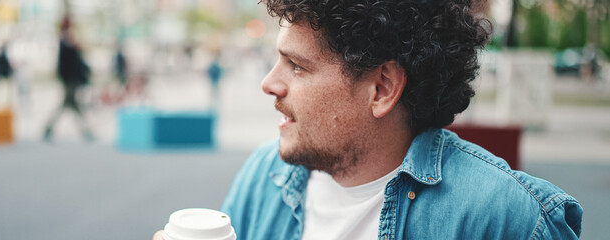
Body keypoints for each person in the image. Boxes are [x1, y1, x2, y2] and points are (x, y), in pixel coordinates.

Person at [154, 0, 583, 239]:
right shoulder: (263, 176)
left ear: (381, 88)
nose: (269, 83)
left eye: (297, 66)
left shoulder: (503, 219)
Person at [43, 15, 94, 142]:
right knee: (68, 105)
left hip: (71, 80)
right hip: (70, 80)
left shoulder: (68, 42)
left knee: (72, 106)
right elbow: (68, 64)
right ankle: (86, 131)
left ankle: (86, 131)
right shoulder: (65, 42)